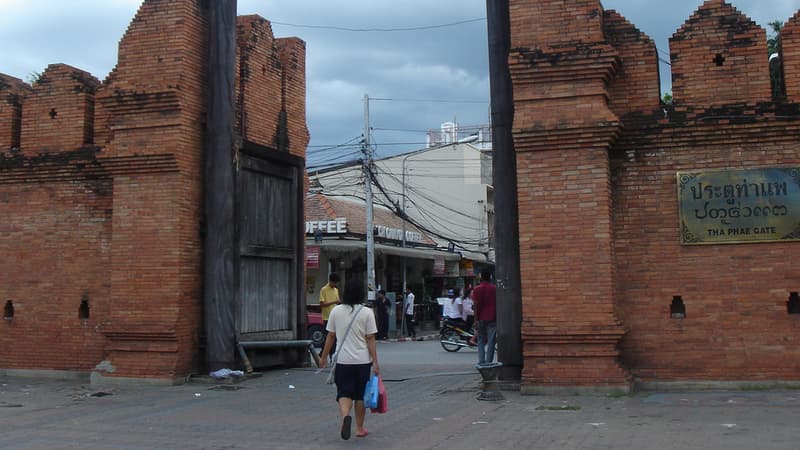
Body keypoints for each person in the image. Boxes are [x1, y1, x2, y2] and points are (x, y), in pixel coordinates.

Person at [319, 280, 380, 440]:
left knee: (344, 392)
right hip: (362, 361)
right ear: (361, 294)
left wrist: (323, 357)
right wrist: (375, 361)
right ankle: (359, 428)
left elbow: (330, 336)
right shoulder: (367, 312)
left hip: (342, 360)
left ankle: (346, 416)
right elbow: (371, 338)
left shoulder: (336, 311)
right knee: (360, 395)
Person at [472, 271, 496, 365]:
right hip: (493, 317)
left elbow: (476, 306)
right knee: (491, 341)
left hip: (481, 317)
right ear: (490, 277)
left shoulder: (477, 289)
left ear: (481, 277)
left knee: (481, 340)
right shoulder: (494, 289)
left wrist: (475, 320)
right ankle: (489, 362)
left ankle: (481, 361)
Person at [319, 273, 341, 358]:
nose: (335, 285)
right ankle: (323, 353)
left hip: (336, 317)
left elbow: (337, 302)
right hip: (327, 317)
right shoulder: (323, 289)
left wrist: (338, 303)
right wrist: (334, 302)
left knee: (334, 338)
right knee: (328, 337)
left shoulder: (336, 290)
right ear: (330, 281)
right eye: (334, 283)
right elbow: (322, 304)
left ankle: (331, 355)